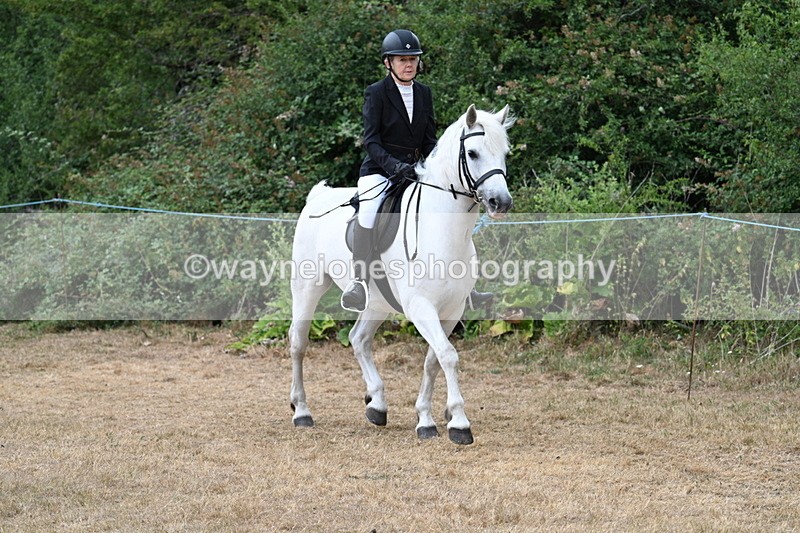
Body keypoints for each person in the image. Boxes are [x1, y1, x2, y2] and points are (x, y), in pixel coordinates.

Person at [341, 29, 493, 313]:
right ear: (389, 63)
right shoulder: (376, 93)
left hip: (414, 170)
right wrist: (394, 166)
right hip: (379, 170)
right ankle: (359, 282)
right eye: (402, 60)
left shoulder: (424, 93)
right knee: (370, 210)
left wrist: (435, 167)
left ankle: (466, 288)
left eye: (413, 59)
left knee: (450, 211)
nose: (409, 64)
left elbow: (428, 141)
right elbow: (371, 141)